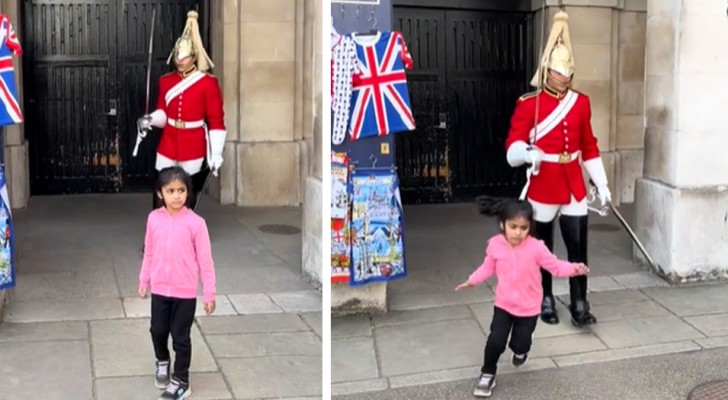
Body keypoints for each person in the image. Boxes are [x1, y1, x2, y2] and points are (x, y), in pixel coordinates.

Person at [504, 10, 611, 327]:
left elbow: (588, 146)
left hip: (573, 184)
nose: (563, 78)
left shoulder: (581, 102)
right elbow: (511, 149)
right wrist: (527, 153)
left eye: (567, 73)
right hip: (543, 184)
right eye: (558, 72)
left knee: (579, 247)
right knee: (544, 250)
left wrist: (601, 183)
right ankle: (544, 298)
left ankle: (580, 301)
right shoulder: (529, 103)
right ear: (548, 70)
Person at [455, 200, 589, 398]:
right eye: (513, 227)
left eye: (523, 228)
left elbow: (555, 266)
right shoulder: (495, 245)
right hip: (504, 304)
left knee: (520, 344)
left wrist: (574, 268)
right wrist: (472, 280)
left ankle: (521, 350)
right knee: (496, 341)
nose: (518, 232)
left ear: (530, 228)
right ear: (503, 224)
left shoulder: (537, 248)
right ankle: (487, 373)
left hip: (529, 307)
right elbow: (487, 268)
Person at [138, 166, 217, 400]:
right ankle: (162, 361)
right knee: (158, 330)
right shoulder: (153, 219)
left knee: (181, 336)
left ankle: (181, 380)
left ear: (188, 192)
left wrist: (209, 293)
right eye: (170, 190)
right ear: (160, 193)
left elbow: (206, 261)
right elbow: (149, 252)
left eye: (181, 190)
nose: (176, 195)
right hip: (160, 289)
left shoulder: (196, 223)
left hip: (185, 293)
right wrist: (144, 279)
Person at [135, 10, 226, 211]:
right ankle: (159, 231)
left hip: (193, 142)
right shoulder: (166, 81)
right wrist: (149, 119)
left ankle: (185, 234)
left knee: (187, 191)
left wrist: (217, 151)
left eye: (184, 57)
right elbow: (163, 114)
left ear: (194, 56)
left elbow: (216, 120)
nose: (180, 60)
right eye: (178, 56)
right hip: (168, 141)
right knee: (161, 188)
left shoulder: (207, 83)